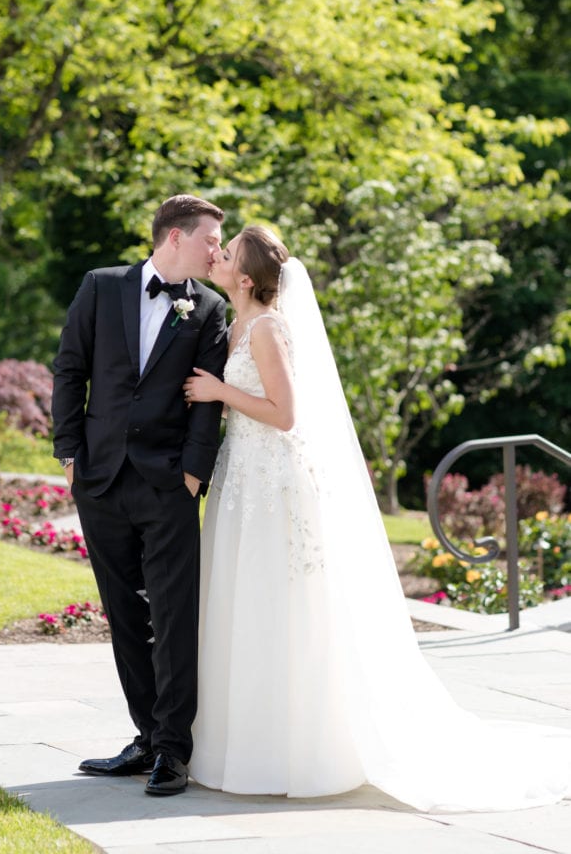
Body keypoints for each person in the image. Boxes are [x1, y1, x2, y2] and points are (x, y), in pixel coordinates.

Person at [184, 224, 571, 811]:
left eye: (228, 251)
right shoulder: (234, 323)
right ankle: (242, 745)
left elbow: (285, 414)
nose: (217, 256)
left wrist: (218, 392)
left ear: (244, 277)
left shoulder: (267, 328)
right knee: (245, 603)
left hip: (276, 484)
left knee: (282, 607)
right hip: (242, 480)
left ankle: (301, 749)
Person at [52, 194, 227, 797]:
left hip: (167, 483)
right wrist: (68, 453)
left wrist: (193, 473)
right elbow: (69, 369)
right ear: (174, 237)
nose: (217, 251)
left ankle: (174, 750)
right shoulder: (101, 287)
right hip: (99, 479)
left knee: (175, 615)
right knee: (124, 612)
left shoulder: (210, 308)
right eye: (209, 239)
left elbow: (210, 398)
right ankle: (146, 736)